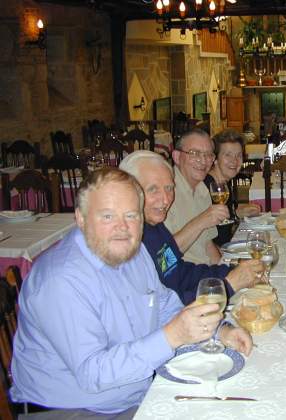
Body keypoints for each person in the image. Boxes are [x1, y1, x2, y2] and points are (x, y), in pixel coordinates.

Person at [10, 168, 252, 416]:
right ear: (81, 218)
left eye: (131, 215)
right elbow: (94, 374)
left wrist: (218, 331)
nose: (122, 227)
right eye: (107, 216)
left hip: (137, 392)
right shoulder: (61, 280)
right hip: (76, 409)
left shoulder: (134, 252)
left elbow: (166, 305)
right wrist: (172, 336)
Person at [119, 151, 263, 305]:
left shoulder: (154, 227)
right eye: (153, 189)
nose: (165, 199)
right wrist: (227, 285)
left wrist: (231, 271)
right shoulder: (127, 246)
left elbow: (181, 274)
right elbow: (161, 309)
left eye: (169, 188)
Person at [165, 129, 226, 265]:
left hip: (205, 270)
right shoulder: (165, 193)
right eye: (194, 153)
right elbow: (164, 259)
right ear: (176, 157)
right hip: (181, 273)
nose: (203, 161)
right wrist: (202, 221)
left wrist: (224, 270)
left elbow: (207, 244)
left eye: (208, 155)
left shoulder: (202, 189)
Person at [204, 129, 260, 246]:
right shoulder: (206, 187)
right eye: (228, 155)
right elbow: (209, 235)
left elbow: (223, 223)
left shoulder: (225, 184)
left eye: (239, 155)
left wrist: (236, 213)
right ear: (215, 159)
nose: (234, 161)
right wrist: (235, 214)